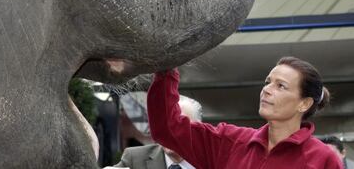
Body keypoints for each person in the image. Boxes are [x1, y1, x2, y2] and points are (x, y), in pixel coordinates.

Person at [147, 56, 343, 169]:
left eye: (281, 86)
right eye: (268, 82)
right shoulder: (230, 142)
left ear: (304, 103)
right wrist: (167, 68)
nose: (267, 89)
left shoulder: (323, 159)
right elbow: (167, 128)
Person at [113, 95, 201, 169]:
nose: (170, 133)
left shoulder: (211, 161)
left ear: (197, 129)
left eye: (179, 126)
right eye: (164, 126)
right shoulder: (134, 159)